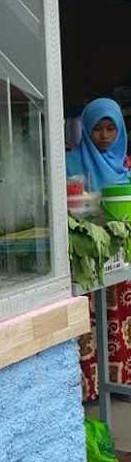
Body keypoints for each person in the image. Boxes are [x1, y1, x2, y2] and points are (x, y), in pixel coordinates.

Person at [67, 98, 131, 402]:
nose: (104, 136)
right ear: (86, 131)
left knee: (122, 321)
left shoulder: (126, 165)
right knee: (91, 323)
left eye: (110, 129)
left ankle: (122, 383)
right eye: (96, 129)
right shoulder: (71, 163)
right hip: (88, 257)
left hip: (122, 256)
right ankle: (91, 388)